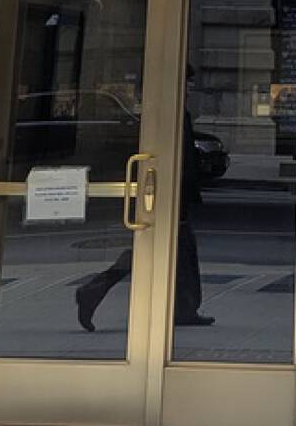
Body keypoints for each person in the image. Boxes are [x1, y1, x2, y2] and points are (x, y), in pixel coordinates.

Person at [76, 83, 212, 331]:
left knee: (173, 251)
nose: (190, 90)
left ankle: (184, 307)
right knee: (171, 250)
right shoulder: (172, 114)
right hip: (168, 194)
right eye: (187, 85)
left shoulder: (164, 113)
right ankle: (94, 289)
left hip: (169, 192)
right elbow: (179, 159)